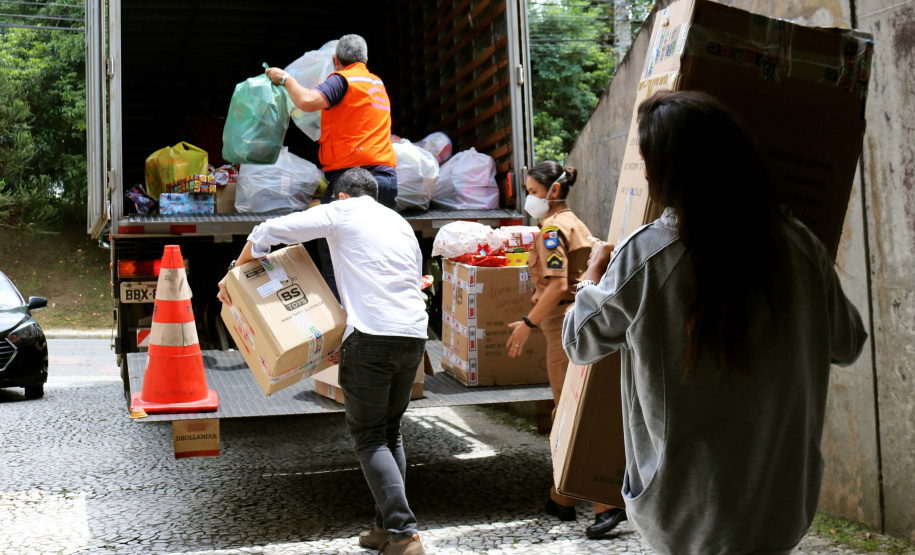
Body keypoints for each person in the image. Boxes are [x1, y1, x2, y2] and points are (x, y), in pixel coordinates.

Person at [562, 90, 868, 555]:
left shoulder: (648, 255)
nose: (644, 172)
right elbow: (847, 344)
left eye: (648, 162)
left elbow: (579, 343)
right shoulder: (800, 245)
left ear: (667, 170)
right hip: (777, 507)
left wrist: (591, 277)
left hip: (680, 510)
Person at [216, 168, 429, 555]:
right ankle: (385, 528)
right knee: (390, 432)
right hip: (413, 337)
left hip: (373, 338)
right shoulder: (399, 223)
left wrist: (235, 274)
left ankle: (403, 534)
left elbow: (266, 231)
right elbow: (410, 281)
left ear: (342, 196)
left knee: (369, 436)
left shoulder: (342, 212)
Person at [505, 161, 627, 539]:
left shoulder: (553, 232)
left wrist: (526, 325)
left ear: (553, 191)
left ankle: (606, 506)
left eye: (534, 192)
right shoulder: (576, 223)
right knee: (569, 409)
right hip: (578, 321)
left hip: (561, 325)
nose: (530, 199)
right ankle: (562, 499)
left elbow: (557, 286)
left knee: (569, 413)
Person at [265, 34, 398, 298]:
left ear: (336, 60)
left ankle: (342, 315)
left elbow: (307, 102)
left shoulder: (342, 80)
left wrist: (285, 79)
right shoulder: (376, 84)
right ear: (366, 60)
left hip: (355, 180)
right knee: (376, 251)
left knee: (333, 243)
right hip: (385, 180)